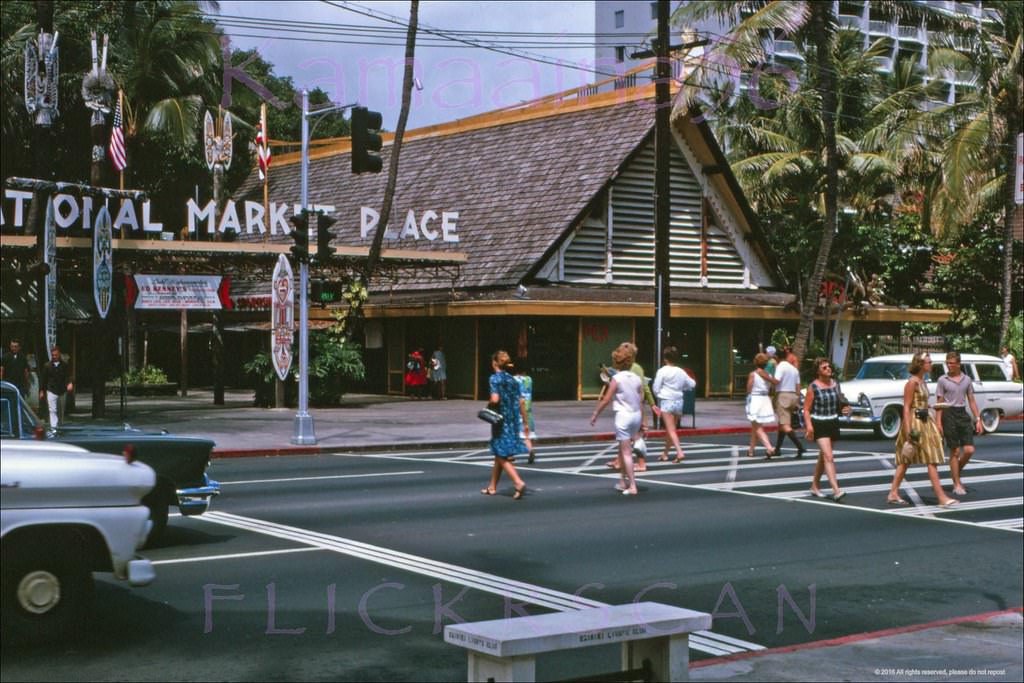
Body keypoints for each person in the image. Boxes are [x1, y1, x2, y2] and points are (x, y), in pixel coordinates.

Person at [887, 352, 959, 507]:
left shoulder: (923, 381)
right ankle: (941, 498)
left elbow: (921, 403)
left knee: (910, 460)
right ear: (920, 364)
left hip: (925, 419)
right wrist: (907, 431)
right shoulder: (912, 382)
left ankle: (893, 492)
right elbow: (906, 407)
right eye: (928, 362)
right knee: (923, 458)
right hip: (915, 422)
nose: (931, 364)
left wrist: (933, 407)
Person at [591, 342, 646, 495]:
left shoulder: (617, 379)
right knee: (623, 450)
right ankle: (622, 481)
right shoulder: (636, 378)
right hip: (636, 416)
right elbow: (641, 399)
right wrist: (642, 422)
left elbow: (606, 399)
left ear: (617, 362)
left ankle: (632, 485)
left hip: (623, 417)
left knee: (626, 452)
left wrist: (595, 414)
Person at [480, 350, 528, 499]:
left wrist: (486, 407)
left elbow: (495, 399)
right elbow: (521, 401)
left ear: (494, 363)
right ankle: (492, 487)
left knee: (499, 452)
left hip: (500, 420)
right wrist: (525, 422)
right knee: (500, 453)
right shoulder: (513, 380)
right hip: (513, 420)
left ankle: (518, 481)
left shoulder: (495, 378)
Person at [935, 351, 983, 497]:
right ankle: (957, 483)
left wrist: (978, 419)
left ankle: (956, 471)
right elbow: (939, 403)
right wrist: (938, 423)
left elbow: (972, 400)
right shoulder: (942, 380)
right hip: (948, 414)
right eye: (947, 363)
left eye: (951, 363)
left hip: (962, 414)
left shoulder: (967, 380)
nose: (949, 366)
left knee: (969, 450)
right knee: (955, 451)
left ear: (958, 364)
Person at [803, 358, 850, 501]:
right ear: (818, 371)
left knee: (823, 457)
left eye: (829, 366)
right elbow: (806, 410)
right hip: (820, 423)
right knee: (829, 457)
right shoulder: (813, 387)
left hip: (833, 422)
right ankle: (836, 490)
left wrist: (846, 410)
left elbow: (840, 404)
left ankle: (814, 486)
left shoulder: (835, 384)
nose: (828, 369)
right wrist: (810, 427)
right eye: (824, 367)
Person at [652, 346, 695, 464]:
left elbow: (656, 388)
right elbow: (692, 384)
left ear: (665, 358)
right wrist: (683, 388)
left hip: (666, 401)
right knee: (671, 430)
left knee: (671, 430)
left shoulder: (662, 371)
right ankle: (665, 453)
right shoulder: (681, 371)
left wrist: (660, 395)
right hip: (679, 402)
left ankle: (679, 452)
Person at [772, 348, 807, 458]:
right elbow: (798, 386)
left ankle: (800, 447)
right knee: (781, 424)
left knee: (785, 425)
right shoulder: (794, 369)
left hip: (783, 395)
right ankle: (777, 449)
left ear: (777, 358)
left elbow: (777, 380)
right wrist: (797, 400)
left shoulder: (780, 366)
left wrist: (766, 377)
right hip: (793, 396)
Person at [746, 352, 779, 458]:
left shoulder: (753, 374)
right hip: (765, 399)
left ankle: (769, 447)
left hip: (756, 399)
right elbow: (773, 384)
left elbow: (748, 389)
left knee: (757, 427)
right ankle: (751, 450)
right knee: (755, 426)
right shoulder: (768, 375)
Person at [39, 345, 73, 429]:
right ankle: (53, 427)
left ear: (59, 355)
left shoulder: (64, 365)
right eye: (53, 355)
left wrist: (70, 383)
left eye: (56, 355)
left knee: (60, 410)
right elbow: (44, 380)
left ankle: (60, 425)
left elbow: (68, 376)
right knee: (52, 410)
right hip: (51, 390)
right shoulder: (47, 365)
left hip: (62, 390)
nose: (54, 357)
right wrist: (42, 391)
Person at [513, 358, 536, 464]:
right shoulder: (529, 379)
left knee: (514, 433)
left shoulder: (513, 380)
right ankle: (530, 449)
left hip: (517, 409)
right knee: (527, 434)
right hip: (528, 409)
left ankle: (511, 454)